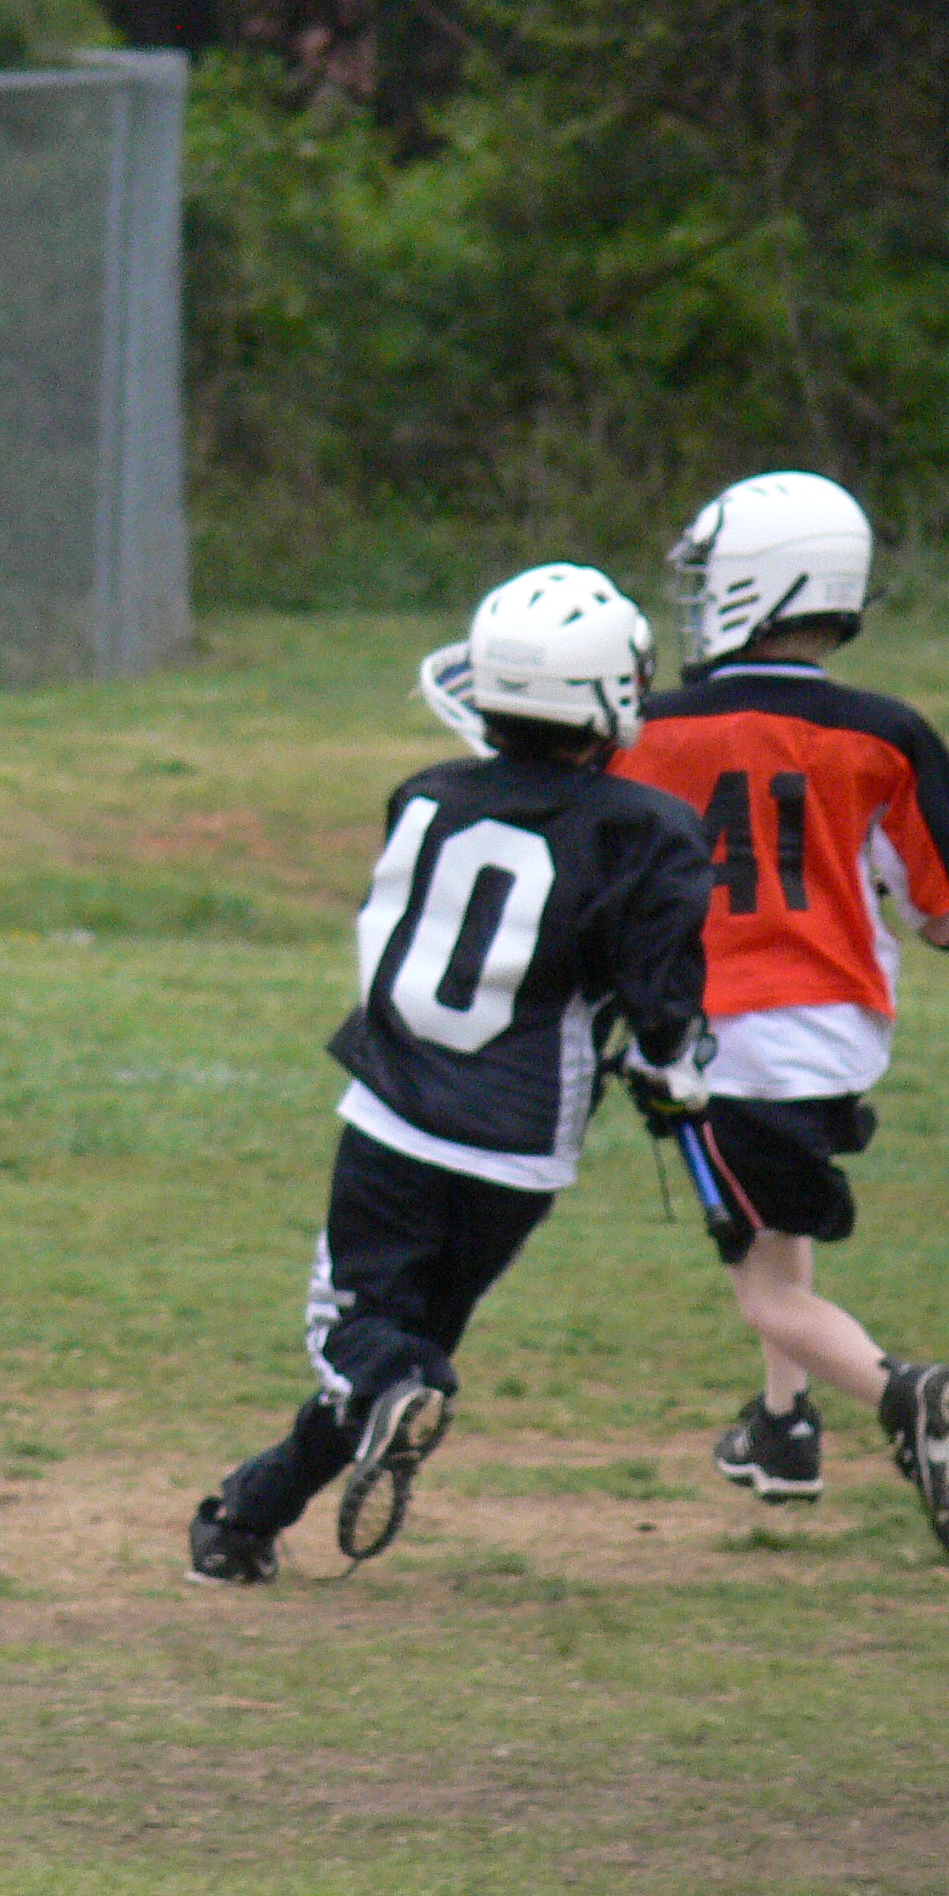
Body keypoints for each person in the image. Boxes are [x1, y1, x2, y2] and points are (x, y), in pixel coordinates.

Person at [190, 564, 713, 1585]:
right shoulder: (648, 828)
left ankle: (378, 1404)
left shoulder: (426, 794)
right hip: (521, 1151)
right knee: (400, 1352)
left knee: (360, 1342)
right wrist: (671, 1069)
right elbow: (662, 1001)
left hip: (394, 1116)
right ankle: (246, 1517)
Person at [609, 471, 949, 1553]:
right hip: (840, 1036)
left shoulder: (646, 732)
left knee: (764, 1286)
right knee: (774, 1219)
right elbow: (946, 917)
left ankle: (909, 1397)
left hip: (720, 1036)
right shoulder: (886, 733)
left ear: (754, 587)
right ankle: (781, 1427)